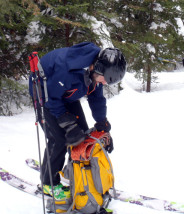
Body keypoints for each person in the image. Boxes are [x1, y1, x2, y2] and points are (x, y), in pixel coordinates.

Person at [29, 42, 126, 200]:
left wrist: (102, 124)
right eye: (105, 80)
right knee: (59, 139)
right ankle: (49, 184)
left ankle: (75, 173)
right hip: (45, 97)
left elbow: (96, 98)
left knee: (81, 136)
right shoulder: (67, 70)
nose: (104, 84)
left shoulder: (95, 70)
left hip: (66, 94)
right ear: (98, 68)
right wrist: (67, 124)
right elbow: (52, 100)